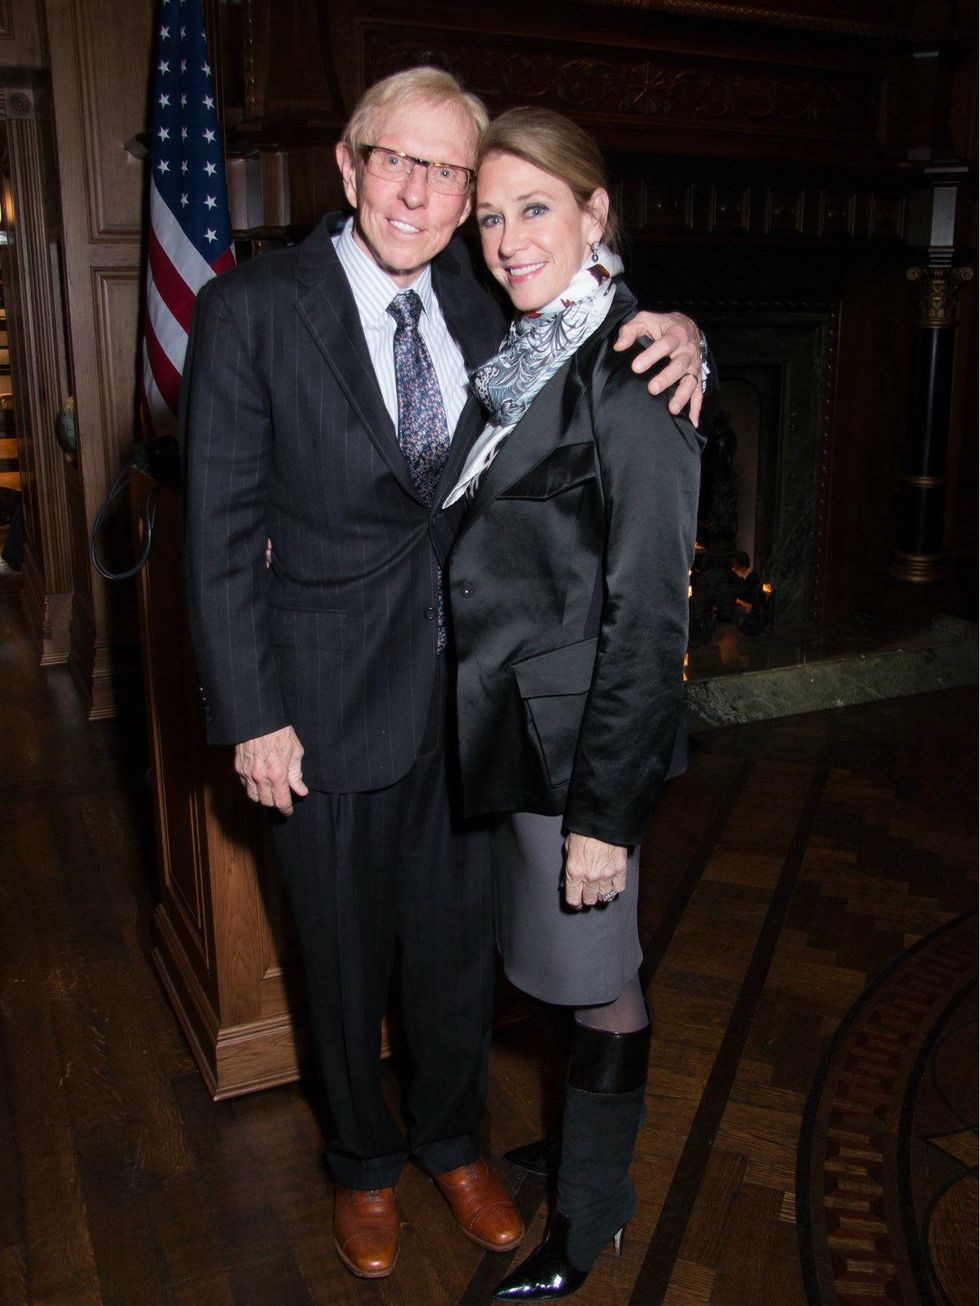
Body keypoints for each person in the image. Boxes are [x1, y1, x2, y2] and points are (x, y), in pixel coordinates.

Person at [182, 67, 705, 1281]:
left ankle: (453, 1139)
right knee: (341, 946)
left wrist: (685, 335)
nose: (422, 193)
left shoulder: (489, 295)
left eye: (449, 172)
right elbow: (214, 532)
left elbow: (598, 330)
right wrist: (251, 713)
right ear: (348, 165)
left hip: (476, 704)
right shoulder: (254, 308)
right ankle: (362, 1163)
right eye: (397, 160)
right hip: (314, 703)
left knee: (456, 950)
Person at [442, 108, 703, 1300]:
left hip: (572, 757)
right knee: (557, 973)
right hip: (511, 732)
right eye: (490, 216)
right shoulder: (531, 348)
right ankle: (579, 1137)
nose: (504, 238)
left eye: (532, 207)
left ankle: (589, 1218)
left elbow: (649, 620)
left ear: (597, 212)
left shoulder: (635, 372)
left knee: (599, 981)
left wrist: (605, 814)